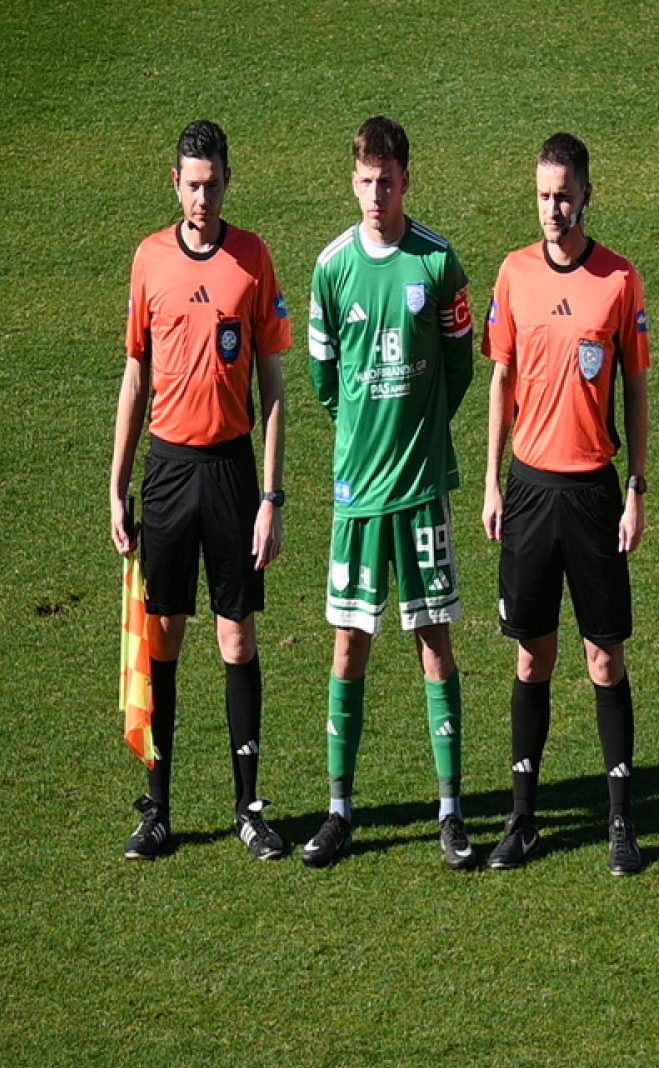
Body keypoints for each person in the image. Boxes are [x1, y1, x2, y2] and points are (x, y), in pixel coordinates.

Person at [110, 120, 291, 861]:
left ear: (228, 182)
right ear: (175, 184)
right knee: (165, 636)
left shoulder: (253, 259)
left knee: (236, 635)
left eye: (213, 184)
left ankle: (248, 808)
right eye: (192, 185)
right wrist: (116, 486)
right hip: (168, 470)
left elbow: (274, 388)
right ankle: (157, 809)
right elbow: (135, 376)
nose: (202, 198)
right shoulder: (149, 259)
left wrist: (272, 497)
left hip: (231, 472)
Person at [303, 116, 477, 870]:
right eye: (366, 181)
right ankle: (339, 810)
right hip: (358, 498)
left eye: (388, 181)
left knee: (434, 642)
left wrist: (420, 434)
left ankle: (451, 811)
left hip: (421, 491)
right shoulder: (331, 268)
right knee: (349, 644)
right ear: (354, 182)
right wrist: (364, 435)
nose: (377, 194)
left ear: (408, 180)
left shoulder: (437, 262)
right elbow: (324, 380)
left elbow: (461, 367)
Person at [482, 132, 651, 875]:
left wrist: (638, 487)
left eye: (565, 196)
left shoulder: (619, 280)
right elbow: (501, 379)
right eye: (544, 196)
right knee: (532, 656)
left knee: (604, 659)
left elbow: (638, 387)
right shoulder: (514, 273)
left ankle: (621, 821)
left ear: (587, 196)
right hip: (529, 489)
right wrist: (492, 481)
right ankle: (523, 820)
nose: (554, 208)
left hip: (592, 493)